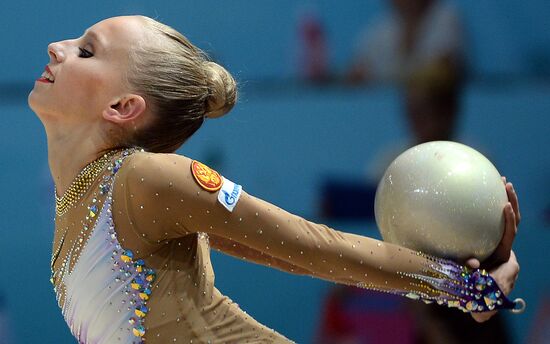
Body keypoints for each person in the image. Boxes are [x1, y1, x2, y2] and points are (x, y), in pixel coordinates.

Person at [28, 15, 522, 343]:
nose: (57, 47)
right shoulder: (80, 196)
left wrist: (462, 287)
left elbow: (311, 246)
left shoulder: (143, 180)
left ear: (123, 108)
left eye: (86, 51)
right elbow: (282, 254)